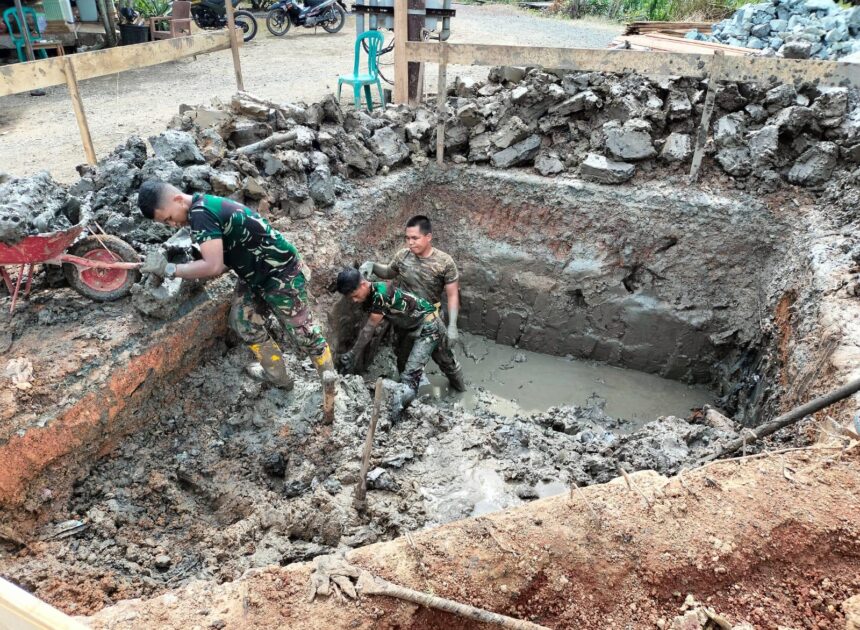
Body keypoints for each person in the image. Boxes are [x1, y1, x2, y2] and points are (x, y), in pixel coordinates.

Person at [136, 180, 336, 423]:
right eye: (166, 223)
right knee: (243, 322)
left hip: (281, 274)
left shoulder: (201, 214)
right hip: (255, 275)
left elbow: (213, 265)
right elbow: (218, 256)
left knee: (303, 333)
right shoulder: (200, 209)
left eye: (168, 218)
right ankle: (278, 376)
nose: (172, 224)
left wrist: (169, 269)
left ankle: (328, 376)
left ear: (177, 199)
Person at [358, 215, 464, 391]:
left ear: (428, 237)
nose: (410, 242)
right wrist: (373, 265)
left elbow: (452, 295)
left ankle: (461, 391)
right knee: (403, 358)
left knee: (445, 359)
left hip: (431, 320)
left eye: (415, 238)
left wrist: (453, 326)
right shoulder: (403, 256)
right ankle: (409, 398)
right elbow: (388, 272)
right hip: (405, 319)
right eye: (407, 238)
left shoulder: (445, 262)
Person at [335, 267, 460, 413]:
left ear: (363, 284)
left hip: (429, 324)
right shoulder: (370, 294)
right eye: (351, 298)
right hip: (411, 327)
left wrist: (352, 354)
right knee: (402, 363)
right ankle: (412, 398)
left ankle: (460, 393)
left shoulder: (381, 294)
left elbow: (369, 329)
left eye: (355, 296)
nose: (355, 301)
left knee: (442, 362)